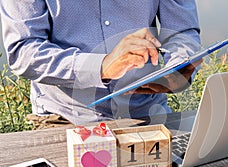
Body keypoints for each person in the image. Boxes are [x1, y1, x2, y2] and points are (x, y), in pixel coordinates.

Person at [0, 1, 201, 125]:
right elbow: (23, 51)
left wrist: (178, 69)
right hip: (65, 119)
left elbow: (182, 33)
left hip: (148, 115)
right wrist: (102, 66)